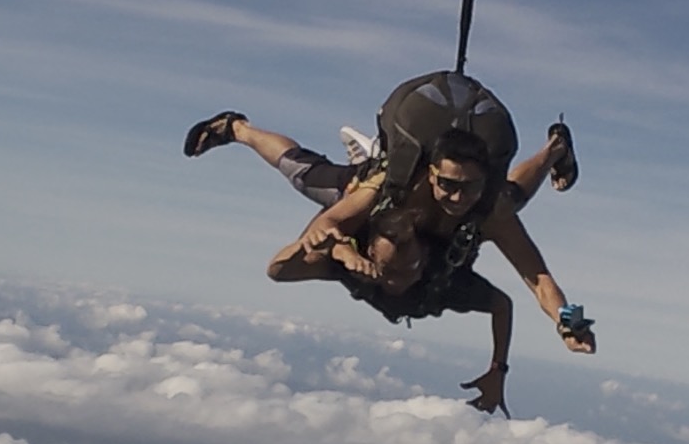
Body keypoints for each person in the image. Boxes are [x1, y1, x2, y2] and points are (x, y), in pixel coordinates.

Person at [188, 103, 592, 413]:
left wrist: (563, 321)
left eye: (469, 187)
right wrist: (341, 247)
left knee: (511, 199)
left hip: (422, 232)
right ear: (431, 174)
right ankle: (236, 127)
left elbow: (538, 279)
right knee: (303, 172)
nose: (456, 196)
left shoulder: (487, 207)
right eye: (448, 184)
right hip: (373, 207)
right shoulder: (384, 188)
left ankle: (556, 148)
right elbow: (324, 228)